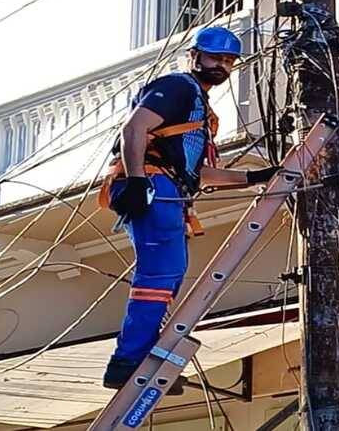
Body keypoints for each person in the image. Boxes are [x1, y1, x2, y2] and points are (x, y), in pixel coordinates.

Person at [100, 26, 279, 392]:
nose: (221, 66)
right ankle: (128, 360)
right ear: (194, 56)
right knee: (160, 273)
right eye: (215, 57)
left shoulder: (197, 105)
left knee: (170, 274)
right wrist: (136, 179)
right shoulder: (179, 87)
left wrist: (252, 177)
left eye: (228, 61)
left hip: (169, 187)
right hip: (154, 185)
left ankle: (141, 355)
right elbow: (134, 129)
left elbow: (196, 173)